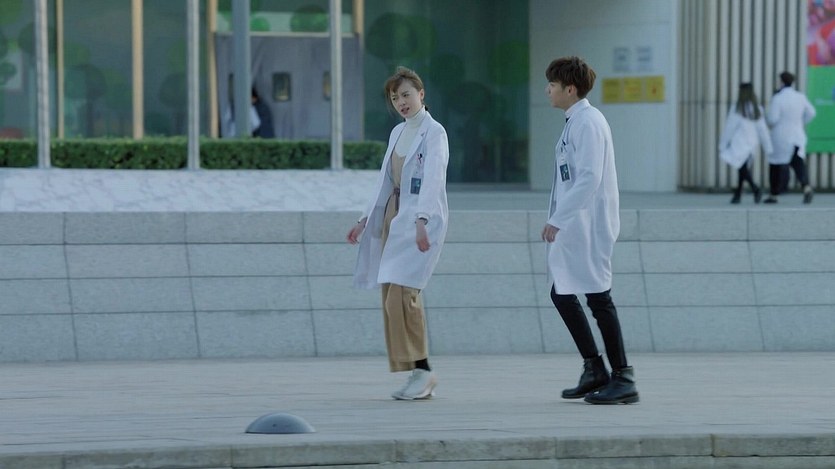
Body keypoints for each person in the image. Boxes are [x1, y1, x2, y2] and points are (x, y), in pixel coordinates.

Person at [346, 66, 449, 401]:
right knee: (390, 294)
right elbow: (384, 180)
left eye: (406, 95)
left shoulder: (435, 133)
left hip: (420, 217)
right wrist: (364, 220)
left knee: (403, 296)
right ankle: (417, 371)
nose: (401, 102)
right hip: (394, 215)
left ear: (421, 94)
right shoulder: (397, 132)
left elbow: (433, 179)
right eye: (395, 98)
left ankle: (424, 370)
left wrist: (422, 220)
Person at [541, 56, 638, 405]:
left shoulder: (589, 122)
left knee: (598, 297)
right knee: (562, 291)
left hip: (588, 225)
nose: (548, 90)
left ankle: (623, 377)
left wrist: (558, 218)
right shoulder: (575, 121)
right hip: (575, 225)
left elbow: (589, 178)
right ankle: (594, 368)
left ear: (570, 89)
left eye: (552, 85)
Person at [764, 71, 817, 204]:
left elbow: (772, 119)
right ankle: (806, 187)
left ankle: (774, 194)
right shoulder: (800, 97)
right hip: (797, 135)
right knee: (797, 163)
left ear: (781, 82)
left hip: (781, 137)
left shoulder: (778, 98)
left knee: (776, 165)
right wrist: (800, 122)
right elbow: (812, 112)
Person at [717, 83, 772, 204]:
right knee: (742, 169)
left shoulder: (737, 109)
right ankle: (738, 195)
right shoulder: (757, 108)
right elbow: (762, 130)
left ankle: (754, 188)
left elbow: (729, 127)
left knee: (742, 168)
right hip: (752, 144)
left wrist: (723, 144)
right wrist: (768, 146)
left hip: (739, 143)